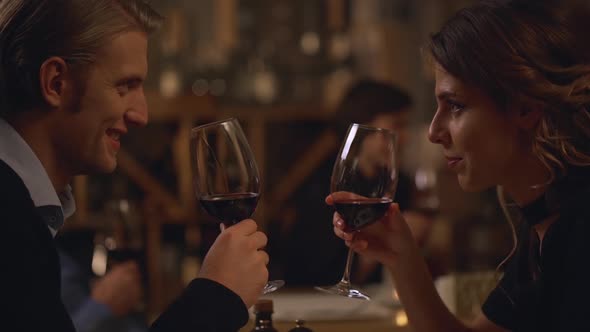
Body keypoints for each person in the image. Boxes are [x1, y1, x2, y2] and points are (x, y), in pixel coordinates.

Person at [0, 1, 268, 331]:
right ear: (56, 83)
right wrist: (217, 296)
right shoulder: (8, 215)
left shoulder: (19, 207)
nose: (141, 115)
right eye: (125, 86)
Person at [333, 0, 590, 331]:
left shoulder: (579, 233)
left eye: (455, 105)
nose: (433, 132)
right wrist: (402, 257)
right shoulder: (543, 227)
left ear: (525, 108)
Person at [277, 79, 429, 286]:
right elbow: (314, 276)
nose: (406, 137)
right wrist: (380, 245)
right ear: (363, 128)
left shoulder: (397, 184)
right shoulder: (323, 186)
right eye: (397, 125)